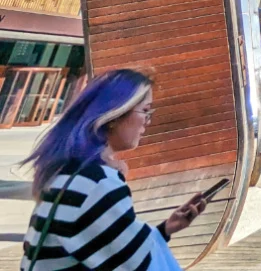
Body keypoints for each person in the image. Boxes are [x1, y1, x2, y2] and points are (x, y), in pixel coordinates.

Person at [21, 69, 211, 270]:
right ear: (114, 115)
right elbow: (142, 266)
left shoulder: (66, 172)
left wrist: (166, 229)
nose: (148, 121)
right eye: (145, 111)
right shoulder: (98, 184)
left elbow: (106, 247)